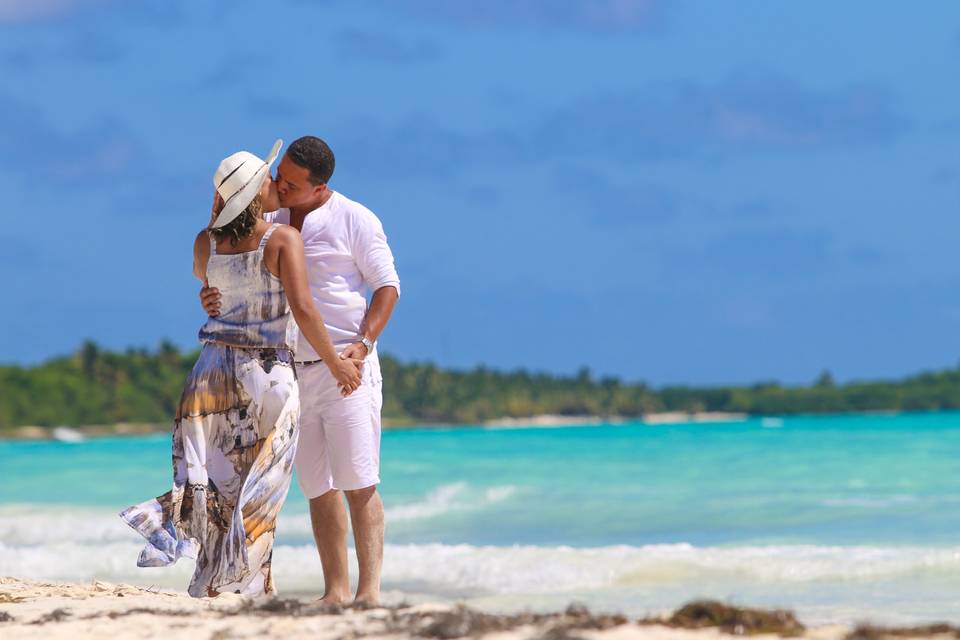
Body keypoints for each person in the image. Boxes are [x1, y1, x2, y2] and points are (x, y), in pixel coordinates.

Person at [120, 139, 364, 597]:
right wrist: (336, 364)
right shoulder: (282, 239)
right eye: (269, 179)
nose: (277, 185)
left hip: (208, 378)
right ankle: (248, 589)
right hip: (265, 375)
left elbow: (208, 281)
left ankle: (217, 586)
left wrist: (210, 282)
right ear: (256, 193)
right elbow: (305, 309)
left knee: (215, 484)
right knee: (261, 489)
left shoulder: (203, 242)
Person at [200, 136, 400, 606]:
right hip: (288, 372)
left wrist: (364, 343)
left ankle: (369, 593)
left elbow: (387, 287)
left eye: (291, 183)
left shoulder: (355, 218)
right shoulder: (270, 218)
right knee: (317, 487)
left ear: (319, 185)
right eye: (278, 177)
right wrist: (209, 295)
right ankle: (335, 590)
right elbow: (228, 263)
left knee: (359, 481)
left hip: (345, 370)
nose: (279, 187)